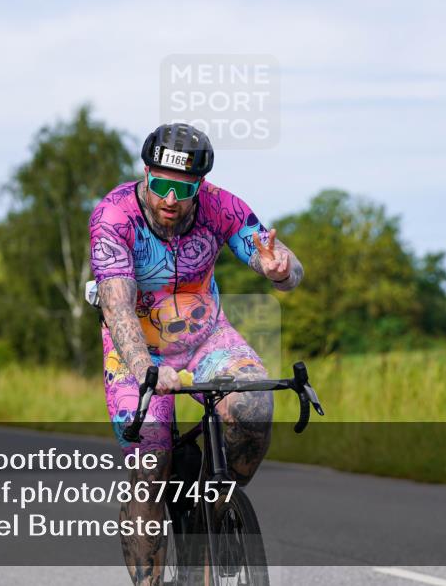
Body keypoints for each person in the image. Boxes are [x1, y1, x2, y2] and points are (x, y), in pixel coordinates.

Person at [88, 122, 304, 585]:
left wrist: (282, 270)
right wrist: (147, 368)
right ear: (145, 173)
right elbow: (119, 307)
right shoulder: (114, 217)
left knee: (254, 404)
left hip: (206, 336)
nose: (170, 199)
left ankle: (211, 506)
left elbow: (279, 259)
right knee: (152, 465)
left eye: (182, 190)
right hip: (137, 347)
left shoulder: (220, 206)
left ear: (199, 186)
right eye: (160, 185)